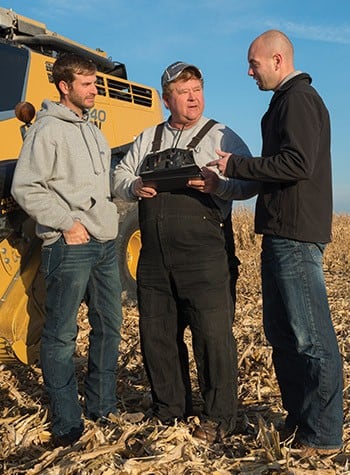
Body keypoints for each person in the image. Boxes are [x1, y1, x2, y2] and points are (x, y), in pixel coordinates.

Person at [208, 30, 343, 455]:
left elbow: (297, 163)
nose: (249, 71)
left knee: (311, 338)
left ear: (279, 59)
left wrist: (237, 164)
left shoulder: (299, 99)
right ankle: (300, 419)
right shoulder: (285, 101)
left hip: (296, 236)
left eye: (254, 63)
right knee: (282, 334)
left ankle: (322, 434)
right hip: (281, 232)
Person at [113, 61, 258, 442]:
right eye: (183, 91)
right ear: (166, 99)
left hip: (205, 256)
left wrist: (218, 185)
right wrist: (134, 187)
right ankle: (169, 412)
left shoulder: (220, 135)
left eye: (197, 88)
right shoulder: (148, 137)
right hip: (155, 258)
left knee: (213, 337)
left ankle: (219, 418)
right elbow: (120, 176)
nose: (193, 97)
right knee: (157, 336)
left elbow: (250, 182)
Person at [11, 54, 123, 447]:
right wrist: (66, 223)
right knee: (61, 336)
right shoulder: (47, 130)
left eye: (95, 83)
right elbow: (25, 187)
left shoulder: (93, 131)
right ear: (64, 86)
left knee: (109, 328)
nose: (95, 90)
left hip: (105, 243)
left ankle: (102, 407)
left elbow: (102, 186)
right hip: (71, 245)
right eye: (88, 83)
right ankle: (66, 423)